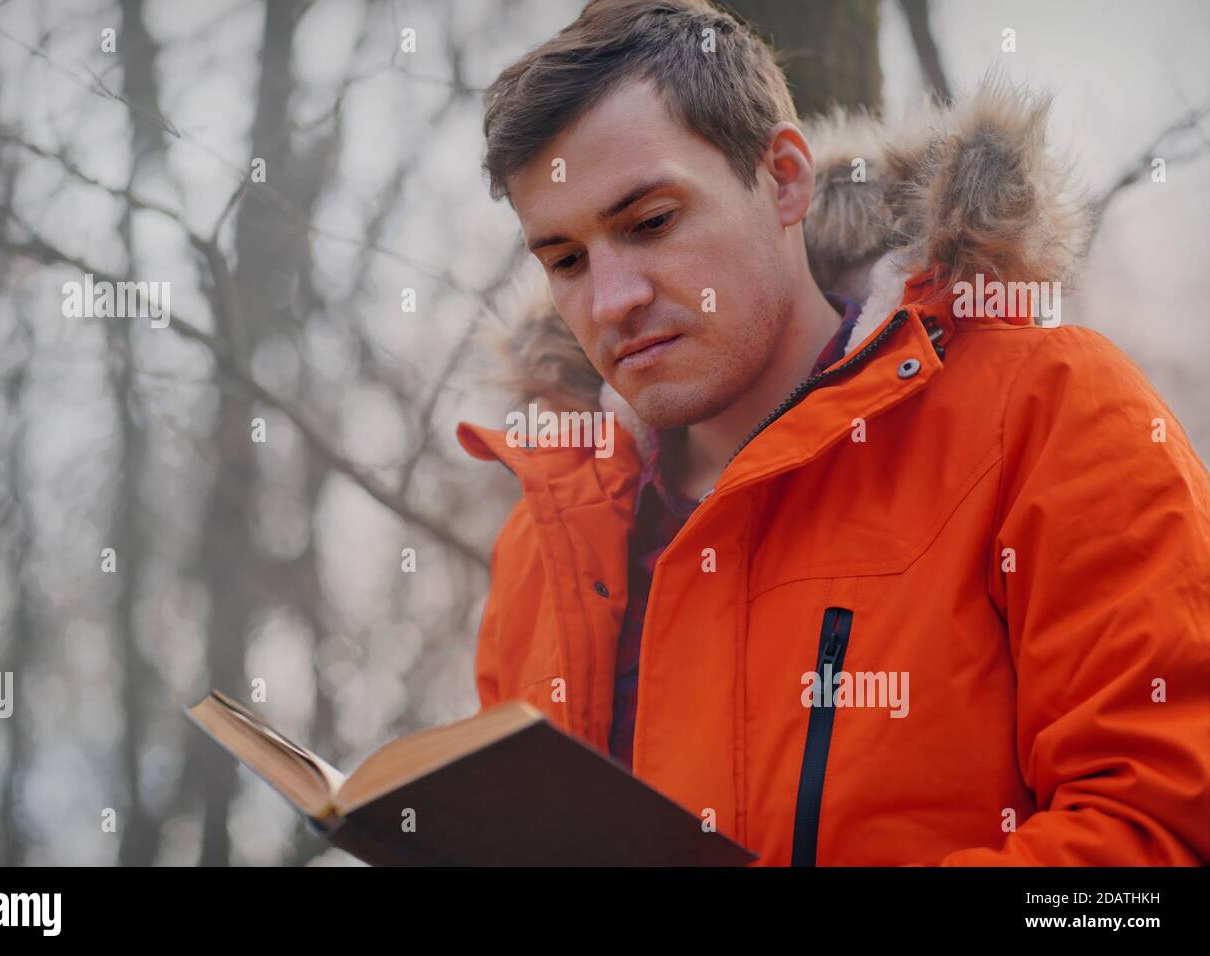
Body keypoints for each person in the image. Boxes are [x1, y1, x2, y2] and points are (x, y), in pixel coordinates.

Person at [455, 0, 1210, 865]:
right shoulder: (546, 541)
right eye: (566, 260)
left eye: (652, 222)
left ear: (784, 177)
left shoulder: (1046, 414)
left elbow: (1158, 849)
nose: (611, 298)